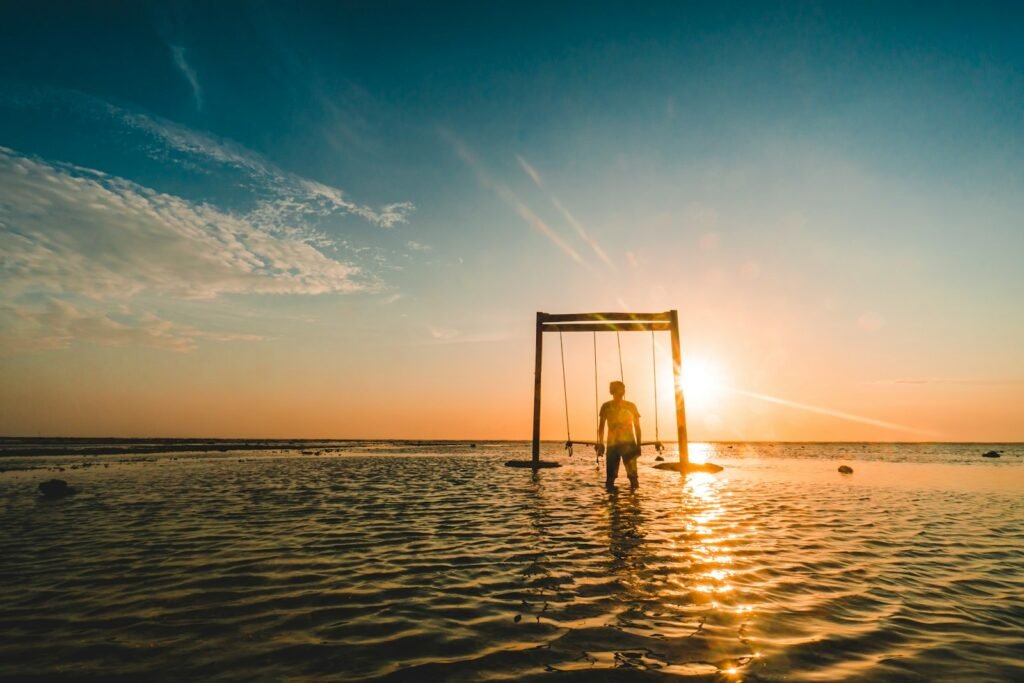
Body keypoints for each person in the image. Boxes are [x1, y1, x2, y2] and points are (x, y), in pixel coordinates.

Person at [597, 381, 641, 489]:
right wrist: (601, 443)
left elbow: (637, 427)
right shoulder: (606, 406)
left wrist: (638, 445)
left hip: (629, 445)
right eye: (622, 388)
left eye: (624, 388)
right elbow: (601, 427)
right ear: (614, 391)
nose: (624, 390)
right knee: (610, 478)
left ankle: (634, 503)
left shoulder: (631, 406)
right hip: (612, 446)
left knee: (633, 477)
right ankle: (612, 502)